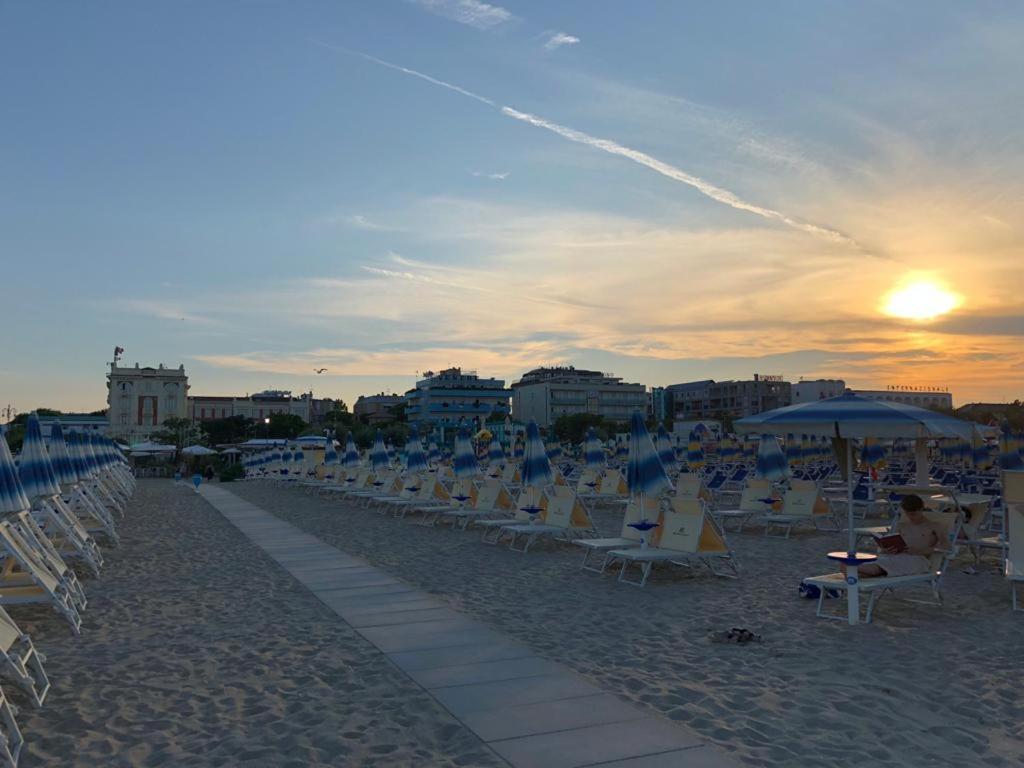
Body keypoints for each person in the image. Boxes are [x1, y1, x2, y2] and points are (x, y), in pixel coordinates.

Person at [858, 494, 947, 578]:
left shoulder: (934, 526)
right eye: (907, 514)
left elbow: (946, 547)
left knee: (873, 567)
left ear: (921, 509)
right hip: (895, 557)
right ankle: (857, 572)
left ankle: (857, 570)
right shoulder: (901, 526)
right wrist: (885, 549)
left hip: (918, 560)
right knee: (873, 561)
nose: (911, 517)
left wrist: (920, 551)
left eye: (913, 514)